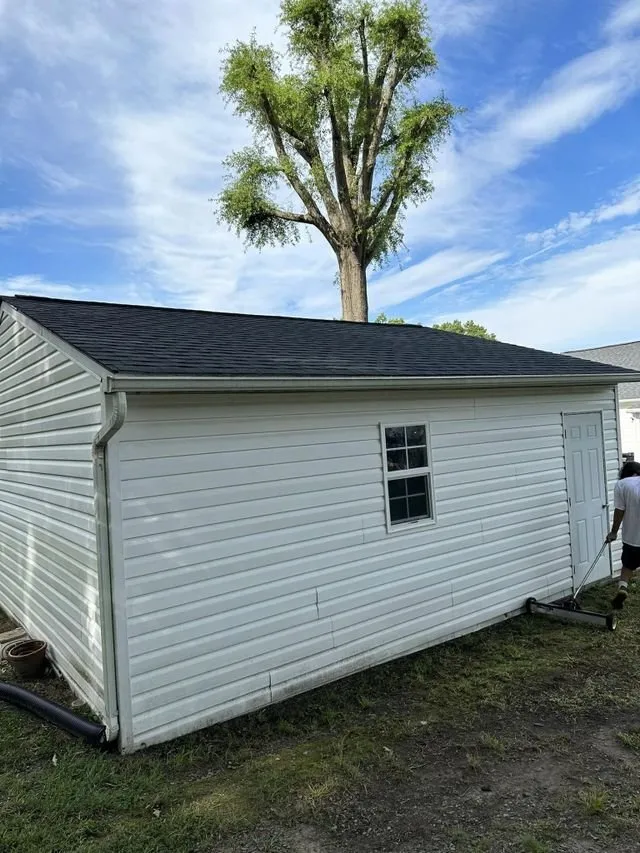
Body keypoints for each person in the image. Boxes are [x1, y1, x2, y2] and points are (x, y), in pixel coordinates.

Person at [607, 460, 640, 609]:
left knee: (627, 566)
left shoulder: (622, 485)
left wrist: (613, 532)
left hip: (632, 539)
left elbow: (619, 511)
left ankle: (622, 588)